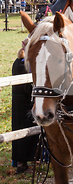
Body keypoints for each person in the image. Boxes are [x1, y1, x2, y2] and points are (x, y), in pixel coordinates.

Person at [11, 39, 39, 174]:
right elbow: (25, 86)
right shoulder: (22, 64)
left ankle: (28, 160)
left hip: (23, 102)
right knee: (23, 134)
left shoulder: (20, 62)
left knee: (30, 133)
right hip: (23, 104)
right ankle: (22, 165)